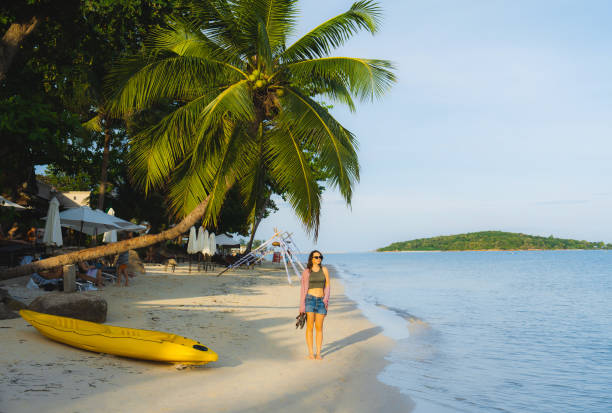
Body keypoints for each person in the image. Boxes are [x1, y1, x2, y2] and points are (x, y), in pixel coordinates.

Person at [299, 250, 330, 360]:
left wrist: (326, 301)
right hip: (309, 300)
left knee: (319, 328)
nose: (318, 259)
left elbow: (327, 286)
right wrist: (301, 306)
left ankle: (318, 353)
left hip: (321, 301)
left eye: (320, 257)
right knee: (310, 327)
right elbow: (303, 290)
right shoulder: (307, 272)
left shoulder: (324, 270)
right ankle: (311, 353)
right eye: (316, 257)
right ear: (311, 258)